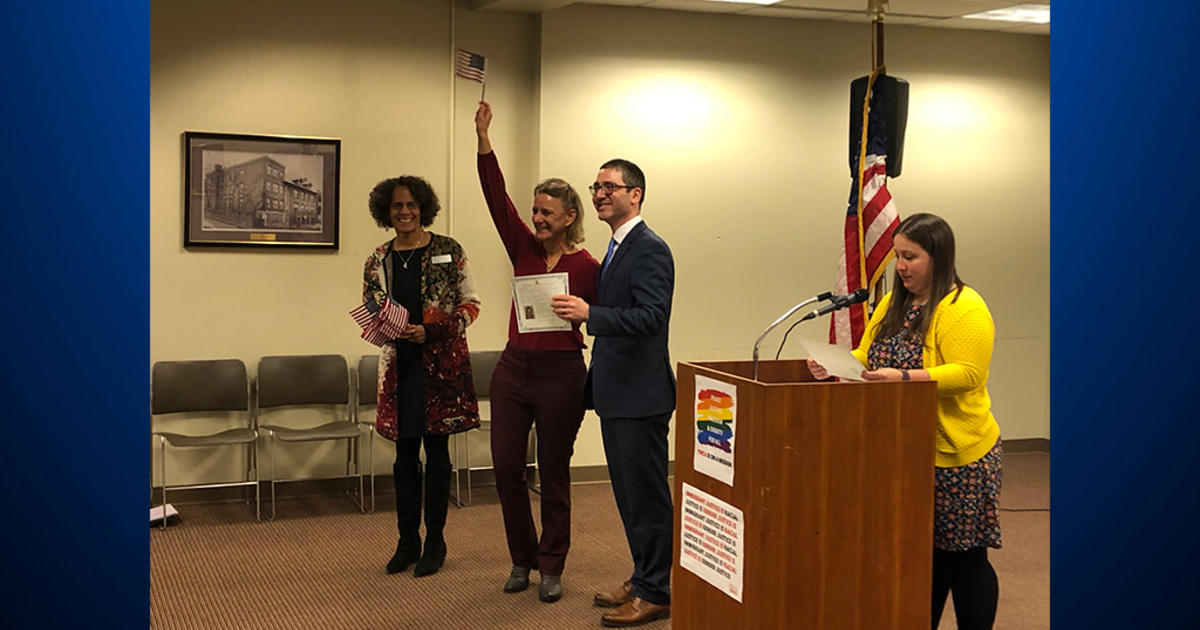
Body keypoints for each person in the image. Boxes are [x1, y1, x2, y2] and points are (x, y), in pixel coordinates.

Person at [807, 212, 1002, 630]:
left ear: (938, 257)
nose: (900, 267)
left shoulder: (964, 307)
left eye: (910, 257)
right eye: (897, 256)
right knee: (922, 557)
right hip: (904, 454)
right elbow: (867, 354)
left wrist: (906, 379)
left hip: (958, 457)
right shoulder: (893, 304)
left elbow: (969, 373)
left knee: (964, 560)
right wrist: (834, 365)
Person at [474, 102, 600, 603]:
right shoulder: (523, 248)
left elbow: (608, 317)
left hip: (561, 374)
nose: (538, 219)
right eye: (535, 211)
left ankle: (551, 565)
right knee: (505, 467)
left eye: (548, 212)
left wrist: (584, 311)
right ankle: (521, 558)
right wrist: (484, 138)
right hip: (513, 369)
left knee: (553, 472)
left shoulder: (590, 265)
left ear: (570, 217)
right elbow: (494, 197)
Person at [551, 159, 674, 628]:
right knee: (627, 496)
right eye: (596, 187)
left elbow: (651, 318)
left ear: (635, 194)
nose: (600, 194)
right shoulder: (618, 246)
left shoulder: (650, 249)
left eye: (610, 187)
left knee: (646, 498)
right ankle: (644, 575)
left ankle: (656, 591)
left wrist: (591, 315)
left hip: (642, 396)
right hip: (617, 392)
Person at [362, 175, 481, 578]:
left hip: (441, 369)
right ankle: (406, 540)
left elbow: (470, 306)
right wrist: (384, 325)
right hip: (399, 369)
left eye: (411, 205)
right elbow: (371, 305)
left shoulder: (449, 250)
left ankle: (436, 541)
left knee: (438, 455)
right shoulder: (377, 258)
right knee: (404, 457)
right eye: (396, 206)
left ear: (423, 208)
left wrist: (431, 330)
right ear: (386, 211)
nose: (405, 212)